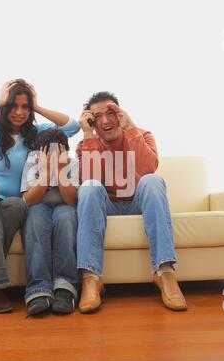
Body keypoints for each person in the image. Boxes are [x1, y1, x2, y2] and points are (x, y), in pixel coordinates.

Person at [0, 79, 80, 313]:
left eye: (25, 107)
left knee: (19, 206)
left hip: (5, 207)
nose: (19, 112)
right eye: (13, 106)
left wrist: (37, 106)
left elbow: (72, 126)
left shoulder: (35, 134)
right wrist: (1, 100)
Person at [76, 91, 187, 313]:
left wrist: (131, 128)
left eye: (111, 112)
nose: (105, 120)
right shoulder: (86, 144)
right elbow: (90, 179)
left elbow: (148, 168)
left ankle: (165, 273)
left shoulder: (142, 135)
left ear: (120, 114)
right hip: (106, 206)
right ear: (91, 122)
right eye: (97, 117)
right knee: (89, 187)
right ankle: (91, 278)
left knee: (152, 181)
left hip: (137, 202)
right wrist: (88, 135)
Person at [21, 129, 79, 317]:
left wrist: (61, 171)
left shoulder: (73, 163)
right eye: (47, 155)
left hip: (65, 205)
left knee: (66, 218)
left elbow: (72, 201)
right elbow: (29, 200)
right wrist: (45, 172)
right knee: (34, 219)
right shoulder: (31, 163)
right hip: (38, 205)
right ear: (38, 154)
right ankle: (38, 290)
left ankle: (65, 287)